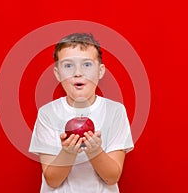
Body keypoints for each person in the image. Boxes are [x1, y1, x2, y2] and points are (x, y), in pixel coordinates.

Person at [29, 33, 134, 192]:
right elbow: (52, 180)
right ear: (57, 73)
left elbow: (112, 177)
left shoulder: (115, 111)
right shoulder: (48, 113)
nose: (78, 72)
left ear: (100, 71)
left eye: (86, 64)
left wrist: (95, 151)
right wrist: (68, 153)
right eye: (68, 65)